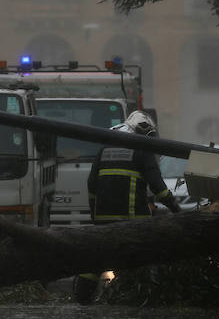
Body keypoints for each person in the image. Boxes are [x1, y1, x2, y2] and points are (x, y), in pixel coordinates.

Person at [73, 110, 181, 304]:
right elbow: (159, 187)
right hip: (133, 221)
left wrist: (95, 216)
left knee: (96, 260)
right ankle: (140, 295)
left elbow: (91, 185)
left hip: (103, 221)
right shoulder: (142, 149)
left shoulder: (105, 148)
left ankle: (81, 299)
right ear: (145, 133)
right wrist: (177, 211)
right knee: (141, 260)